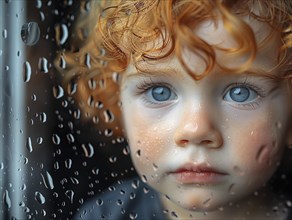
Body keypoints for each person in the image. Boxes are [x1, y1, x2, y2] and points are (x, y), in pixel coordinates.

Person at [57, 0, 292, 219]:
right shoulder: (105, 215)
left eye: (240, 93)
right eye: (159, 92)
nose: (196, 130)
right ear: (116, 101)